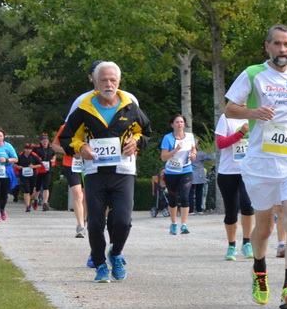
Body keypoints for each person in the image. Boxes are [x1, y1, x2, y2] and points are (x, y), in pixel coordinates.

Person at [224, 25, 287, 309]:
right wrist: (253, 113)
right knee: (263, 226)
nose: (282, 49)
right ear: (267, 47)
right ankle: (260, 271)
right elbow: (229, 108)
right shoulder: (253, 74)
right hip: (262, 161)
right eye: (277, 44)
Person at [58, 62, 151, 281]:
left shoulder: (130, 105)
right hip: (95, 171)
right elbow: (66, 137)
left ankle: (116, 253)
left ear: (119, 81)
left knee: (122, 220)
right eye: (104, 80)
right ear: (95, 81)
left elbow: (146, 132)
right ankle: (100, 264)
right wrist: (81, 147)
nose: (108, 84)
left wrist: (136, 142)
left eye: (112, 80)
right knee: (97, 222)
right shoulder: (84, 107)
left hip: (123, 170)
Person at [213, 112, 256, 260]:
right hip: (228, 171)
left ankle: (247, 243)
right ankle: (231, 245)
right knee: (231, 210)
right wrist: (241, 133)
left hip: (248, 170)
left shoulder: (254, 116)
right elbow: (220, 143)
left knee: (247, 204)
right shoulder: (226, 118)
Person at [159, 113, 197, 234]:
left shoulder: (190, 136)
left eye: (181, 122)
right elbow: (163, 157)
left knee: (185, 196)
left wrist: (193, 155)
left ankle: (184, 225)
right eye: (177, 122)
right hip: (172, 171)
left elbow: (194, 150)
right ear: (172, 125)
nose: (179, 124)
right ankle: (174, 223)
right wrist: (176, 150)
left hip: (186, 169)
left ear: (184, 124)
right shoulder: (168, 138)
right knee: (173, 197)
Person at [189, 147, 211, 214]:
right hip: (199, 175)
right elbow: (209, 158)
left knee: (190, 193)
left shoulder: (187, 153)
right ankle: (199, 209)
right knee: (199, 192)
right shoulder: (200, 153)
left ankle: (191, 210)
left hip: (190, 174)